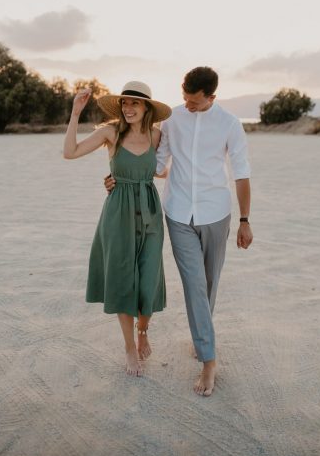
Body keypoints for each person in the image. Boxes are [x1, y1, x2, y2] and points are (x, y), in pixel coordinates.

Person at [106, 67, 253, 396]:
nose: (187, 105)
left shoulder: (229, 124)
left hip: (216, 213)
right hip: (178, 214)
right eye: (184, 98)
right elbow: (156, 165)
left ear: (211, 97)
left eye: (194, 101)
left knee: (209, 284)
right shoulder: (172, 119)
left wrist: (245, 220)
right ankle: (209, 360)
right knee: (194, 285)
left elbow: (241, 173)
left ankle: (202, 336)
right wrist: (118, 177)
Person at [63, 81, 172, 377]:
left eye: (135, 103)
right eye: (125, 103)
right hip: (117, 215)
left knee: (148, 279)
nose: (128, 108)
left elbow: (166, 171)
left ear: (147, 107)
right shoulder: (110, 132)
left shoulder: (158, 136)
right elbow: (70, 152)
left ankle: (143, 329)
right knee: (123, 279)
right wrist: (75, 114)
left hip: (149, 212)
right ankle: (128, 347)